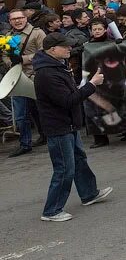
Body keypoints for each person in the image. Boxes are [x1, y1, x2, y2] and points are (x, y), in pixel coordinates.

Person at [33, 33, 113, 221]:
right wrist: (92, 85)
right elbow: (67, 100)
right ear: (53, 49)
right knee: (64, 168)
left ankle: (89, 194)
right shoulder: (47, 73)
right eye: (66, 46)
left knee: (79, 160)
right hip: (59, 127)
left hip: (68, 124)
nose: (70, 49)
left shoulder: (56, 66)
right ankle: (51, 210)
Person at [4, 8, 45, 157]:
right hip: (18, 78)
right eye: (14, 19)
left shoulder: (37, 33)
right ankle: (25, 143)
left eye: (20, 18)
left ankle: (45, 135)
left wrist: (23, 59)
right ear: (10, 21)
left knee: (37, 110)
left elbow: (45, 52)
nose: (18, 21)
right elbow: (4, 55)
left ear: (25, 18)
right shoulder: (7, 36)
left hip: (35, 76)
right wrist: (10, 62)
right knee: (21, 114)